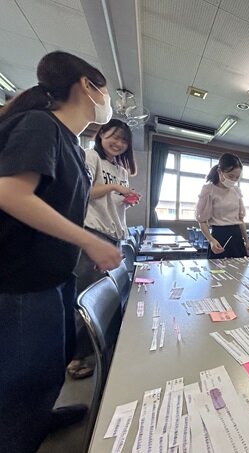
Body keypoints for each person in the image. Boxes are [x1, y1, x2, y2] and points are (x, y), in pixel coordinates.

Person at [0, 51, 122, 452]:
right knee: (21, 376)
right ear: (86, 85)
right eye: (105, 90)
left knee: (49, 366)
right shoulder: (40, 125)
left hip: (53, 275)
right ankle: (18, 436)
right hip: (20, 279)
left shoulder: (69, 142)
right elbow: (10, 193)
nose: (108, 101)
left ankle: (38, 419)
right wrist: (89, 240)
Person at [69, 119, 139, 379]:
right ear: (101, 134)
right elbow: (83, 191)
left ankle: (97, 351)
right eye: (114, 137)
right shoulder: (90, 156)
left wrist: (127, 200)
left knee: (106, 295)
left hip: (114, 234)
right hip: (93, 233)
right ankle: (78, 358)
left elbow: (114, 201)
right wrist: (114, 187)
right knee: (88, 296)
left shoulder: (120, 169)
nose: (118, 143)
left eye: (123, 140)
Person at [196, 153, 249, 258]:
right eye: (230, 176)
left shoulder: (236, 191)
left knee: (238, 271)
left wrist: (247, 241)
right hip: (219, 236)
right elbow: (202, 221)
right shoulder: (209, 190)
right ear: (220, 171)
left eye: (237, 177)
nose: (233, 180)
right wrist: (211, 240)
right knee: (217, 271)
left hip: (236, 236)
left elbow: (240, 220)